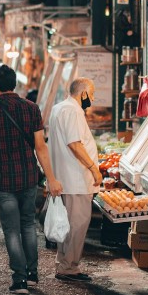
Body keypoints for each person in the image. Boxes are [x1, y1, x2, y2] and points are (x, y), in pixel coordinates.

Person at [0, 65, 61, 293]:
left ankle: (19, 279)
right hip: (28, 176)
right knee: (28, 225)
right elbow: (40, 146)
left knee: (11, 230)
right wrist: (51, 178)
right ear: (15, 83)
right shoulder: (32, 108)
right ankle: (32, 273)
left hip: (4, 178)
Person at [48, 77, 102, 282]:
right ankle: (69, 268)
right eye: (92, 94)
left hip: (66, 177)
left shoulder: (59, 108)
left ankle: (63, 263)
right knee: (77, 225)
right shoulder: (73, 111)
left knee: (69, 224)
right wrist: (93, 169)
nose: (93, 99)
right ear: (84, 93)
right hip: (76, 179)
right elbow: (75, 144)